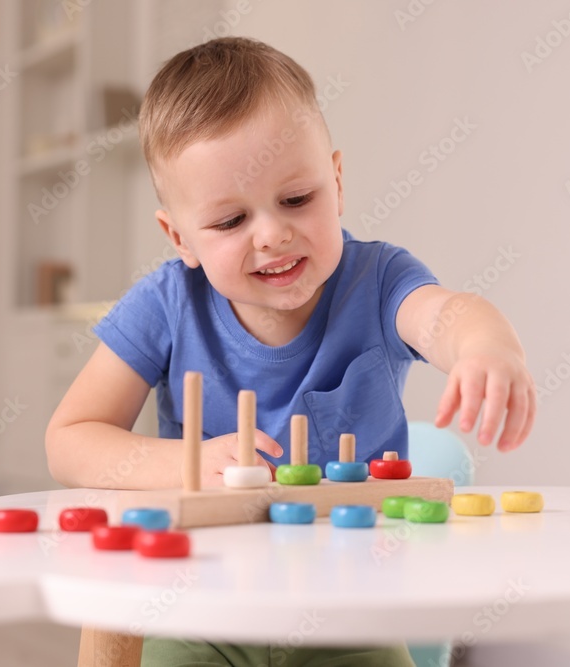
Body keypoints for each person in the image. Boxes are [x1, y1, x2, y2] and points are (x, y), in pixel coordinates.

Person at [46, 36, 535, 667]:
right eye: (229, 223)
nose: (273, 235)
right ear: (181, 237)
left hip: (350, 611)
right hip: (197, 605)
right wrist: (185, 464)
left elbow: (447, 314)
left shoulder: (378, 280)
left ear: (336, 181)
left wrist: (486, 346)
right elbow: (71, 437)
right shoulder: (167, 303)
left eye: (297, 200)